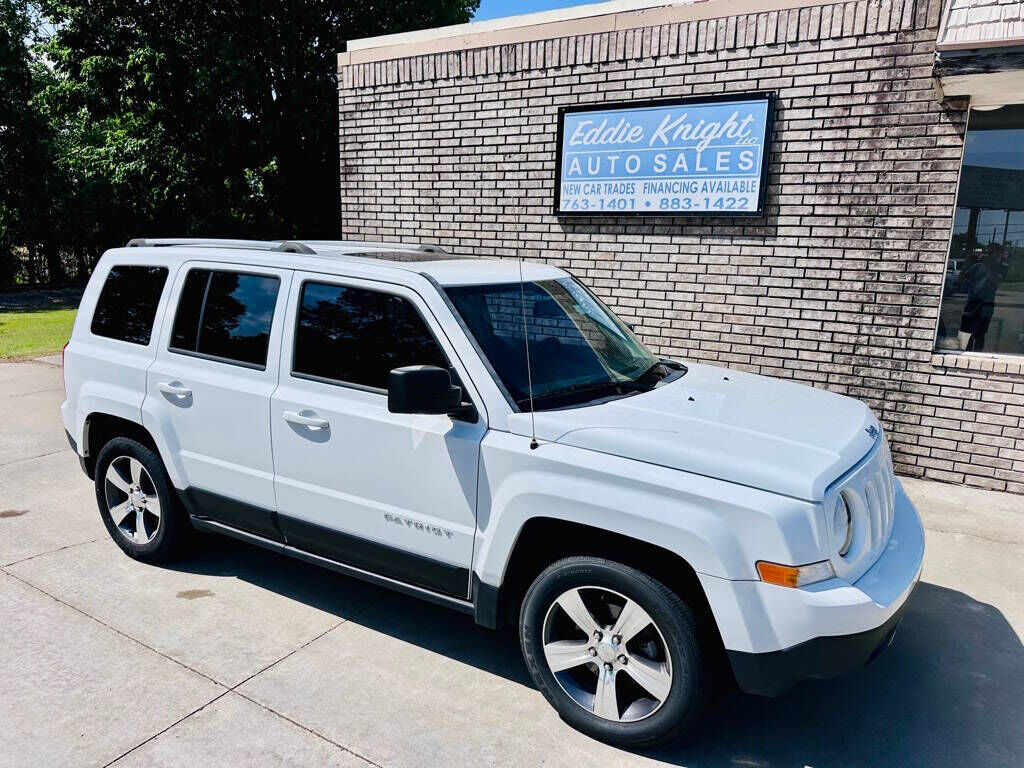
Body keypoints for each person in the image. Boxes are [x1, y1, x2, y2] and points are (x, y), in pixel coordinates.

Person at [957, 248, 1005, 352]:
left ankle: (977, 354)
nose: (996, 258)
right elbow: (961, 278)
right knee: (966, 332)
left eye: (998, 256)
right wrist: (968, 262)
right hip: (972, 302)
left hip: (986, 305)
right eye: (995, 255)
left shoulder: (999, 269)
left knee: (980, 333)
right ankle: (964, 353)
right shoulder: (977, 266)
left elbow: (997, 282)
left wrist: (989, 267)